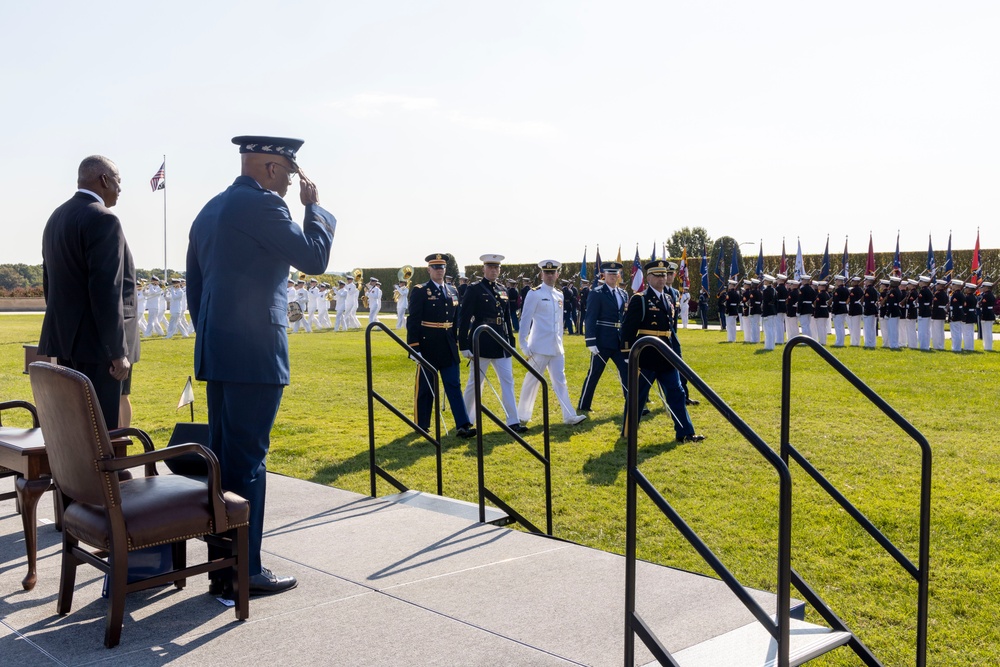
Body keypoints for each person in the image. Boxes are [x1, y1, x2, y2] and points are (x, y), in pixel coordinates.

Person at [186, 135, 335, 596]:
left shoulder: (210, 209)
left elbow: (195, 288)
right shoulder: (265, 206)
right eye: (290, 174)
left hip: (221, 351)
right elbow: (314, 258)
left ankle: (222, 567)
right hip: (255, 355)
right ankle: (243, 572)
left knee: (225, 462)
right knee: (248, 463)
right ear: (270, 169)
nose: (293, 183)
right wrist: (316, 209)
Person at [39, 155, 132, 431]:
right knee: (99, 431)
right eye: (118, 181)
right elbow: (106, 290)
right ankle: (101, 477)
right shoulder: (104, 219)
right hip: (98, 348)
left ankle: (73, 476)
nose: (119, 188)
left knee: (74, 427)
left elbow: (49, 284)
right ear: (104, 180)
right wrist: (116, 351)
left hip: (67, 343)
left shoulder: (56, 217)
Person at [621, 260, 704, 442]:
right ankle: (628, 431)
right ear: (649, 277)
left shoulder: (668, 298)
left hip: (666, 356)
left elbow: (670, 331)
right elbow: (627, 329)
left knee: (677, 393)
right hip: (645, 356)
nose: (662, 278)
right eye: (658, 275)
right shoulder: (640, 299)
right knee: (638, 396)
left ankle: (686, 433)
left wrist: (675, 353)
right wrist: (628, 355)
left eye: (664, 274)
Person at [407, 253, 477, 438]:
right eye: (436, 267)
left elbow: (457, 320)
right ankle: (422, 424)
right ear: (429, 269)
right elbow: (413, 320)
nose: (439, 270)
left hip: (448, 345)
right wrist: (414, 347)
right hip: (428, 345)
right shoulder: (420, 290)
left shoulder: (453, 290)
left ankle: (463, 424)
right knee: (426, 387)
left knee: (454, 384)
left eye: (442, 267)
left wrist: (461, 343)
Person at [458, 254, 526, 433]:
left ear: (500, 270)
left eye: (497, 268)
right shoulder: (474, 289)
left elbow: (506, 319)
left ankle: (513, 421)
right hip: (481, 341)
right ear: (483, 269)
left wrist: (511, 341)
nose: (493, 271)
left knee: (508, 381)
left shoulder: (503, 289)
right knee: (475, 383)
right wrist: (463, 344)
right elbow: (464, 318)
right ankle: (464, 420)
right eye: (490, 268)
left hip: (501, 342)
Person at [516, 260, 587, 426]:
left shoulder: (559, 294)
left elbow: (559, 322)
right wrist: (523, 345)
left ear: (557, 274)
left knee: (560, 381)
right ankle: (522, 416)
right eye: (546, 272)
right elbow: (525, 320)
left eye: (552, 272)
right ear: (541, 274)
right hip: (539, 347)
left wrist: (561, 343)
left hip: (556, 347)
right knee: (531, 381)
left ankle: (569, 415)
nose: (549, 275)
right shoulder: (534, 294)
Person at [577, 262, 629, 412]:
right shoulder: (597, 292)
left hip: (618, 341)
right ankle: (584, 404)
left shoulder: (623, 293)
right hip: (602, 341)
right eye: (610, 274)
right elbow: (591, 317)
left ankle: (632, 402)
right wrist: (590, 341)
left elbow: (623, 318)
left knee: (626, 371)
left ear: (619, 276)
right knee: (594, 373)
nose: (613, 276)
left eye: (615, 274)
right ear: (604, 275)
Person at [831, 275, 849, 347]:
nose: (835, 282)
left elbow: (836, 301)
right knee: (841, 327)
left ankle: (839, 342)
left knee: (838, 327)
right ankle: (841, 341)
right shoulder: (846, 289)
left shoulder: (838, 290)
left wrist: (834, 311)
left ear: (839, 281)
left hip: (838, 309)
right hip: (844, 308)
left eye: (836, 281)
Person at [930, 279, 948, 350]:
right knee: (940, 331)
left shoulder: (937, 294)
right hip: (942, 313)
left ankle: (937, 346)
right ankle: (941, 345)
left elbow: (935, 304)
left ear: (940, 286)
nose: (936, 286)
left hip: (937, 313)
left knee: (936, 331)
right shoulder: (944, 294)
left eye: (937, 284)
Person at [862, 275, 879, 348]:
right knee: (872, 328)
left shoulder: (868, 290)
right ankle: (872, 343)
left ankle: (868, 343)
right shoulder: (874, 289)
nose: (864, 282)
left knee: (868, 328)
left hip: (869, 310)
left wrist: (865, 311)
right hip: (873, 309)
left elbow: (868, 302)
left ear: (869, 281)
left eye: (865, 280)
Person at [847, 276, 864, 346]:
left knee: (854, 327)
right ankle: (857, 342)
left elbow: (852, 301)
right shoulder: (861, 290)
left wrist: (850, 312)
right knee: (857, 327)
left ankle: (854, 342)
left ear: (856, 282)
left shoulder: (853, 290)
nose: (852, 282)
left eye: (853, 281)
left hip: (854, 310)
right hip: (859, 309)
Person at [761, 274, 777, 350]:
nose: (764, 281)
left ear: (768, 281)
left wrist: (764, 313)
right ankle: (771, 345)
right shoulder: (774, 290)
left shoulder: (766, 290)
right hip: (773, 310)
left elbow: (765, 302)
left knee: (768, 330)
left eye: (765, 280)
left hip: (767, 311)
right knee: (772, 329)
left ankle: (768, 346)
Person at [980, 282, 995, 351]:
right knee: (988, 331)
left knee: (987, 332)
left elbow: (984, 305)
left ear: (986, 288)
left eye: (983, 287)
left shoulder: (986, 295)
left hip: (987, 314)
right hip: (990, 313)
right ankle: (987, 346)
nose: (982, 288)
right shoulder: (991, 295)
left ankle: (988, 347)